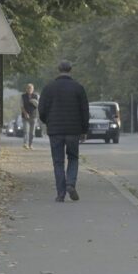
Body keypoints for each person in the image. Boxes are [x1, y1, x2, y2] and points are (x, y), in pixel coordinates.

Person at [38, 60, 90, 203]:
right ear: (70, 70)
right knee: (73, 158)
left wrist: (48, 121)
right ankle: (70, 184)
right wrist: (84, 130)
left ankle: (60, 194)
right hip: (74, 130)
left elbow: (41, 110)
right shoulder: (78, 88)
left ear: (58, 69)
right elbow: (85, 111)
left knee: (58, 162)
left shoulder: (49, 88)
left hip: (55, 131)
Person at [21, 83, 39, 149]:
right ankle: (25, 144)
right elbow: (22, 106)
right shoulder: (23, 96)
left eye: (31, 88)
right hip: (25, 116)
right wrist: (25, 113)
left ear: (33, 89)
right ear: (26, 89)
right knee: (26, 131)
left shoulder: (36, 96)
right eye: (28, 88)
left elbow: (38, 105)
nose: (29, 90)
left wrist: (34, 102)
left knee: (32, 132)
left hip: (34, 116)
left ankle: (30, 144)